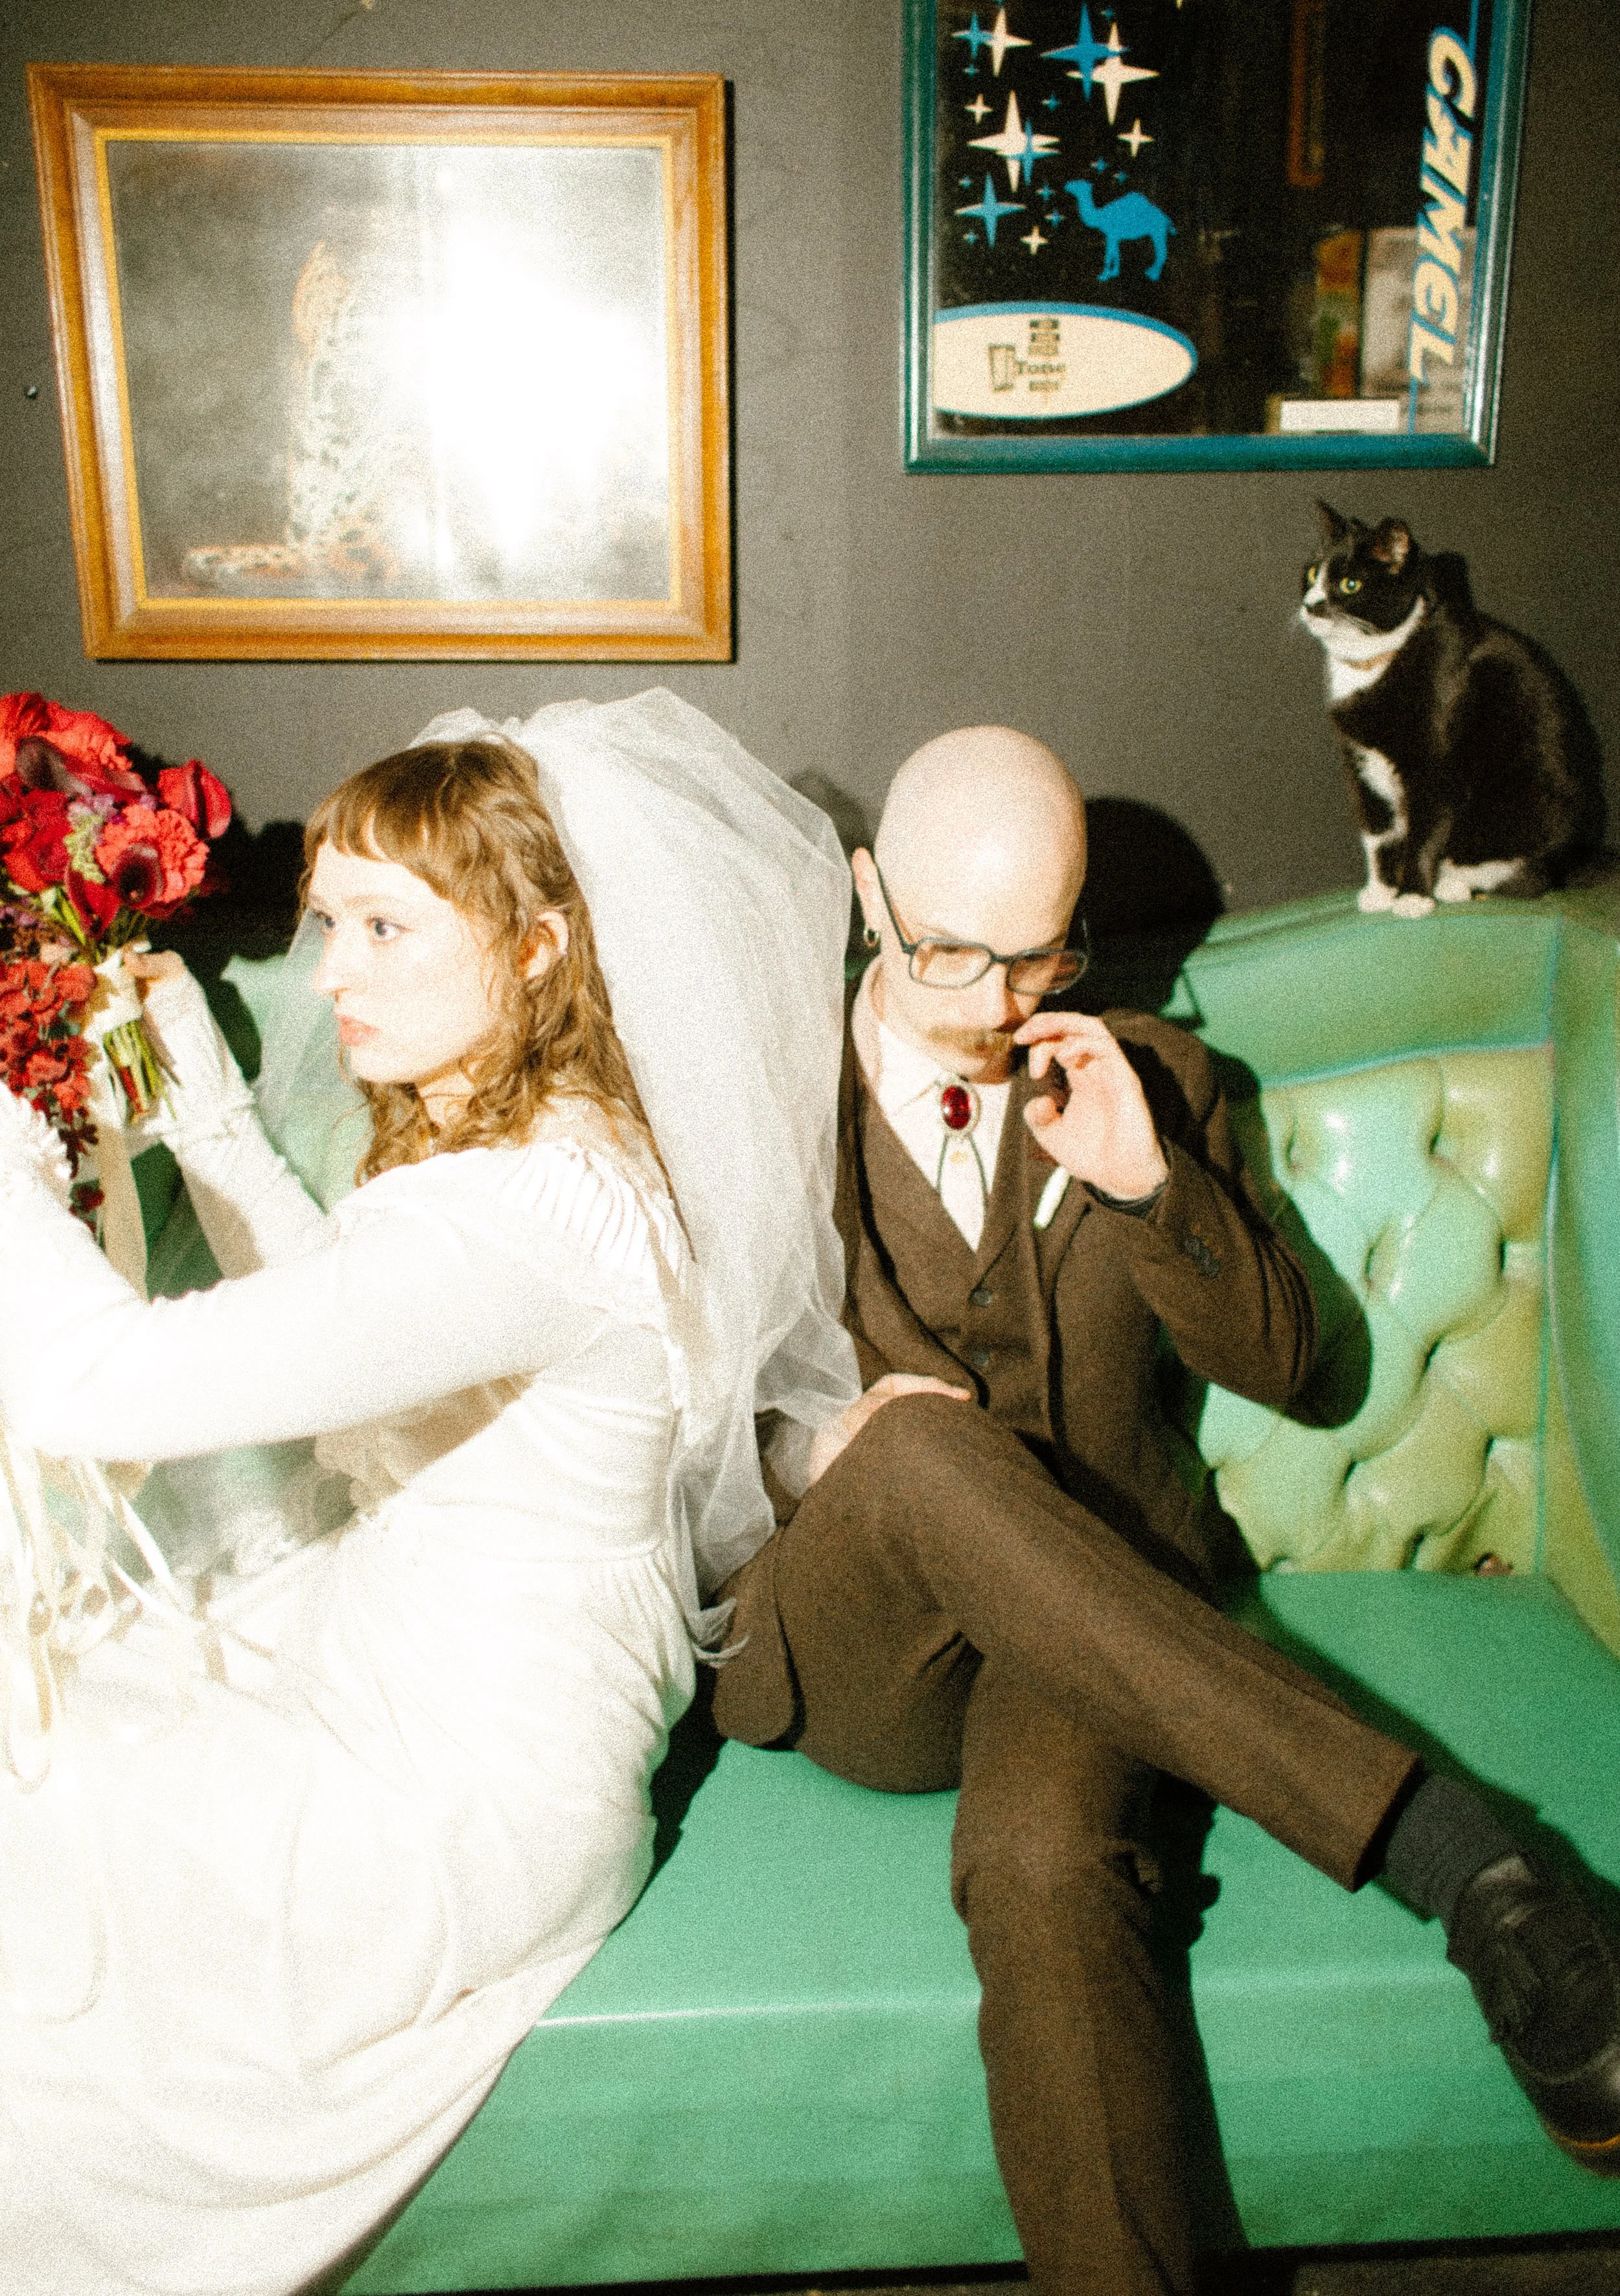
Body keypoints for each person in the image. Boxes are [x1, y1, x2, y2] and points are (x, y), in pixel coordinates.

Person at [711, 724, 1620, 2296]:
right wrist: (817, 1450)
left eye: (1038, 955)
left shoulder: (1158, 1079)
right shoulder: (751, 1100)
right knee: (919, 1457)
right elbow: (671, 1417)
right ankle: (1459, 1855)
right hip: (870, 1648)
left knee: (1047, 1868)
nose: (1001, 1006)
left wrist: (1145, 1183)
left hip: (1095, 1620)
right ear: (867, 898)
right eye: (949, 956)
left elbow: (1295, 1372)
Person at [0, 692, 859, 2296]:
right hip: (412, 1669)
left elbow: (94, 1386)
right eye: (330, 923)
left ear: (540, 948)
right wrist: (201, 1100)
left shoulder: (524, 1217)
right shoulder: (549, 1144)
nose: (332, 976)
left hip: (458, 1800)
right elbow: (360, 1322)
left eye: (390, 928)